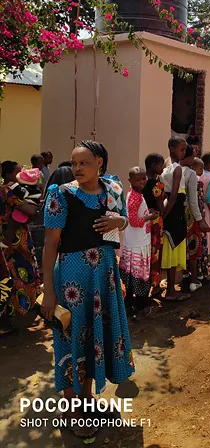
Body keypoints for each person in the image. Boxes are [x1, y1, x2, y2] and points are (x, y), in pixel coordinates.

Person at [42, 141, 134, 437]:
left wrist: (120, 220)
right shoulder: (61, 195)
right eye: (74, 163)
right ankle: (71, 411)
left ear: (100, 163)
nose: (77, 168)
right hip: (72, 281)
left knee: (96, 337)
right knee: (71, 340)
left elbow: (114, 231)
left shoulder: (112, 189)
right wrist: (49, 290)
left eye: (84, 163)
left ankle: (86, 400)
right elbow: (50, 245)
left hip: (104, 276)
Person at [0, 160, 41, 332]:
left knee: (10, 277)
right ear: (8, 174)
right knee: (15, 278)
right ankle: (5, 320)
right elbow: (30, 211)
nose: (19, 176)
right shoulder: (8, 191)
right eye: (16, 173)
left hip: (11, 240)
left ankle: (8, 318)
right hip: (14, 243)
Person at [120, 167, 159, 318]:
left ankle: (130, 304)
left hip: (135, 241)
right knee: (139, 273)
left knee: (131, 273)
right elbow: (134, 221)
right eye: (138, 179)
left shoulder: (134, 194)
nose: (142, 182)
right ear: (130, 181)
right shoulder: (135, 197)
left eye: (143, 178)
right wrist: (150, 217)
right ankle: (141, 305)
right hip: (137, 243)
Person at [160, 137, 190, 301]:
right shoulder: (177, 169)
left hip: (168, 209)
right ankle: (171, 291)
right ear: (172, 148)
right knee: (172, 249)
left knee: (167, 247)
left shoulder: (166, 164)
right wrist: (164, 216)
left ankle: (167, 286)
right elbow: (173, 197)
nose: (184, 153)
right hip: (174, 212)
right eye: (181, 149)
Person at [181, 145, 209, 292]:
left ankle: (185, 273)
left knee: (182, 245)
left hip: (178, 213)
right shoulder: (191, 175)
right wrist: (200, 220)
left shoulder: (171, 169)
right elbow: (194, 201)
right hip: (190, 215)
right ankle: (194, 280)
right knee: (193, 246)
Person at [143, 153, 165, 296]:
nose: (162, 168)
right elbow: (160, 206)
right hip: (156, 221)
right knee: (155, 253)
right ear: (153, 166)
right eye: (160, 165)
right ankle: (155, 285)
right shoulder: (157, 185)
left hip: (143, 220)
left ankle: (144, 283)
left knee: (145, 253)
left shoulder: (139, 181)